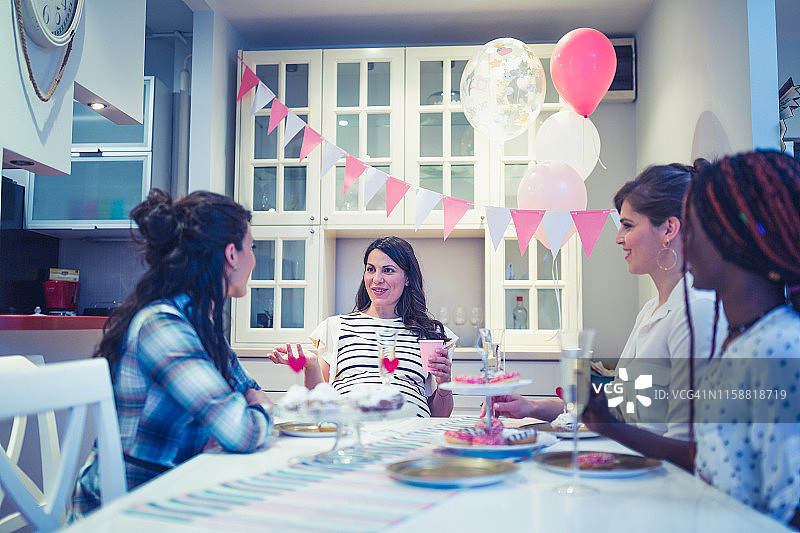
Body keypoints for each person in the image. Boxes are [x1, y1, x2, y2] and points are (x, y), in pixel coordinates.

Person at [70, 189, 273, 518]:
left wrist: (247, 407)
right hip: (126, 512)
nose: (254, 258)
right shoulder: (162, 326)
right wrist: (257, 411)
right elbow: (243, 431)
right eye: (252, 247)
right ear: (231, 255)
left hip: (176, 492)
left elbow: (248, 388)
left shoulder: (197, 323)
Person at [493, 163, 725, 441]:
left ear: (668, 229)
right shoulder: (651, 310)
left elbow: (689, 447)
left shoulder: (696, 311)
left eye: (627, 225)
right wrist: (531, 407)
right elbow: (616, 405)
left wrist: (609, 433)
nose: (618, 238)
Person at [679, 150, 799, 527]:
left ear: (731, 237)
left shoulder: (778, 348)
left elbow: (791, 508)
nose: (684, 245)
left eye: (693, 229)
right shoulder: (742, 341)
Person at [269, 236, 456, 417]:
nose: (376, 279)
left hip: (409, 435)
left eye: (388, 270)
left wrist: (444, 384)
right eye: (371, 269)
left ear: (407, 278)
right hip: (352, 431)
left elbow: (439, 416)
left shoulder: (431, 334)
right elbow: (318, 405)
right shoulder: (335, 327)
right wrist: (311, 366)